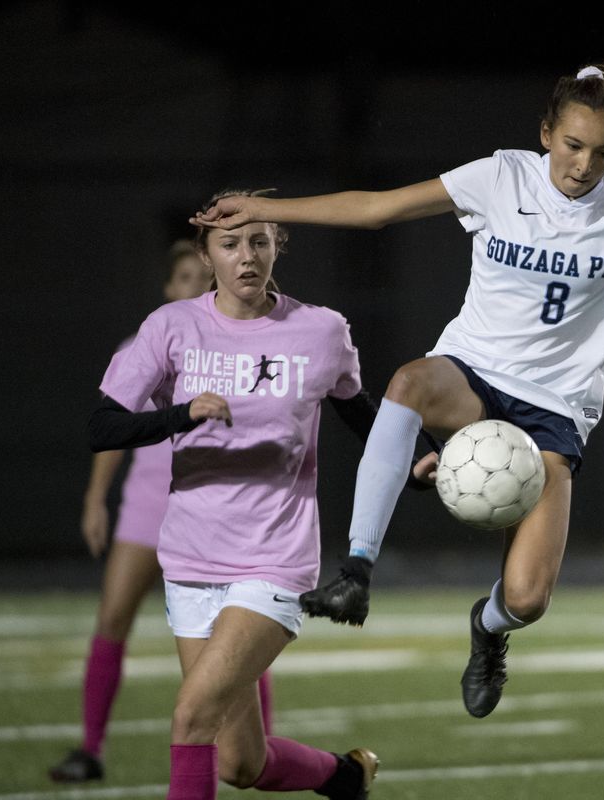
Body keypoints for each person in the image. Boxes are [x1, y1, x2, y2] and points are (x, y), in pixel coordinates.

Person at [194, 64, 604, 719]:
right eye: (573, 145)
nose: (584, 164)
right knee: (410, 379)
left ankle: (488, 629)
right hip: (472, 374)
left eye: (603, 152)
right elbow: (377, 209)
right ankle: (356, 571)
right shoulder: (502, 177)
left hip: (555, 412)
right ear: (547, 133)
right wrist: (262, 206)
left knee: (527, 598)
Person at [91, 192, 389, 799]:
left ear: (279, 243)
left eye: (259, 241)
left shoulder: (320, 330)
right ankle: (344, 775)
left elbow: (360, 414)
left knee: (190, 716)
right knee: (238, 763)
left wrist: (417, 456)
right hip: (191, 558)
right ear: (207, 254)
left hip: (272, 559)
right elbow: (103, 428)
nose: (246, 256)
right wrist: (181, 415)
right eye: (230, 245)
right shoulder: (170, 327)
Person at [52, 242, 281, 783]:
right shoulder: (147, 342)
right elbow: (112, 429)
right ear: (167, 288)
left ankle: (259, 750)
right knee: (112, 620)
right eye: (183, 276)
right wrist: (94, 499)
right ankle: (90, 748)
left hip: (209, 511)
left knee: (238, 637)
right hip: (147, 506)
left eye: (198, 278)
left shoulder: (235, 345)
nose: (192, 286)